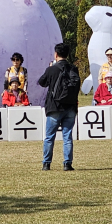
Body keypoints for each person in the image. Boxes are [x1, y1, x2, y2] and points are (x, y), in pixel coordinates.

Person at [38, 43, 80, 172]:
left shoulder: (52, 69)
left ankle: (46, 163)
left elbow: (41, 82)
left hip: (54, 106)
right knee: (67, 136)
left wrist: (50, 68)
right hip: (71, 106)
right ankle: (67, 164)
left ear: (56, 54)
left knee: (50, 137)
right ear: (67, 54)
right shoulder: (73, 68)